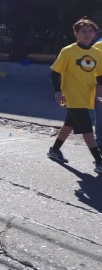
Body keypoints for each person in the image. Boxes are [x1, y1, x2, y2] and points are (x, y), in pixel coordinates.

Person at [47, 18, 102, 174]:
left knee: (69, 124)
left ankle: (54, 150)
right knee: (86, 128)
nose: (87, 34)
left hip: (87, 96)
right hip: (71, 96)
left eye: (90, 31)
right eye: (83, 31)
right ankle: (99, 161)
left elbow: (100, 76)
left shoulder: (97, 53)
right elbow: (55, 72)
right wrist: (58, 92)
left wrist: (99, 94)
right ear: (76, 34)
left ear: (95, 33)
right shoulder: (68, 51)